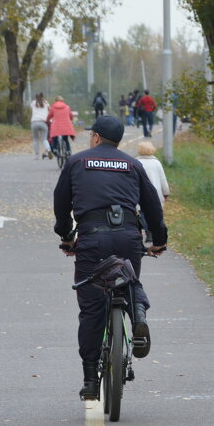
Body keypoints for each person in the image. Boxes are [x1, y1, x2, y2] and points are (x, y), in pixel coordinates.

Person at [53, 115, 167, 400]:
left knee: (92, 308)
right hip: (128, 236)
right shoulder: (133, 164)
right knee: (129, 281)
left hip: (92, 237)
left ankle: (91, 380)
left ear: (95, 137)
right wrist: (158, 240)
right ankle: (137, 313)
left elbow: (61, 202)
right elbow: (153, 206)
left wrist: (66, 236)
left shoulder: (76, 162)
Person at [30, 93, 51, 159]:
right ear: (43, 97)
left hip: (34, 122)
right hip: (43, 122)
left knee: (35, 139)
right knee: (44, 139)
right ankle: (48, 150)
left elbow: (31, 106)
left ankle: (37, 155)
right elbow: (49, 109)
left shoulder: (33, 103)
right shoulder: (46, 103)